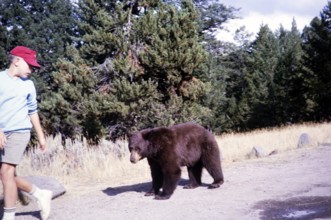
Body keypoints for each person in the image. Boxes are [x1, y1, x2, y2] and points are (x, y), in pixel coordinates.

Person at [0, 46, 52, 220]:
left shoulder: (28, 85)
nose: (32, 70)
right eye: (29, 65)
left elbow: (32, 112)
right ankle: (40, 193)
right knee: (9, 175)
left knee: (6, 171)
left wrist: (41, 137)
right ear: (16, 61)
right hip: (1, 131)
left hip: (20, 132)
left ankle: (8, 217)